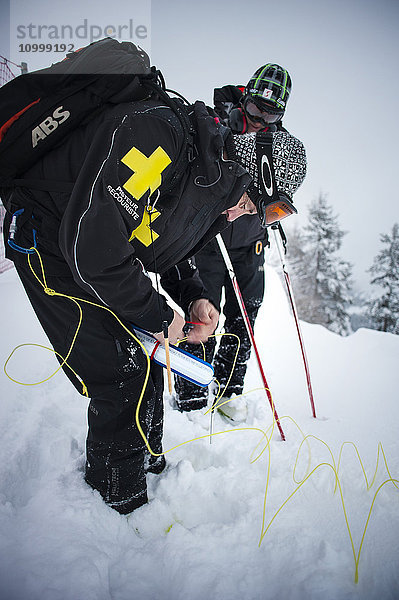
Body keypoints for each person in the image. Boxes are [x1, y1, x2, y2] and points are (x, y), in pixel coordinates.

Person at [2, 90, 306, 514]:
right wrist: (161, 317)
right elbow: (97, 248)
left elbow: (155, 248)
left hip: (81, 247)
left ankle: (149, 468)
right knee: (121, 369)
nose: (251, 218)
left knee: (144, 362)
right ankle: (118, 503)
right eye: (260, 208)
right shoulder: (158, 137)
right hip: (44, 237)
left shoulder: (205, 185)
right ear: (248, 173)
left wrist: (194, 296)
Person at [175, 64, 294, 420]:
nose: (260, 119)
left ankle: (229, 390)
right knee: (202, 311)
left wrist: (275, 210)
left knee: (245, 314)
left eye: (270, 113)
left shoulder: (278, 142)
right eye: (256, 108)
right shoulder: (215, 123)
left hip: (251, 242)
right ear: (244, 98)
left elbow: (278, 192)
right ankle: (192, 394)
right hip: (210, 240)